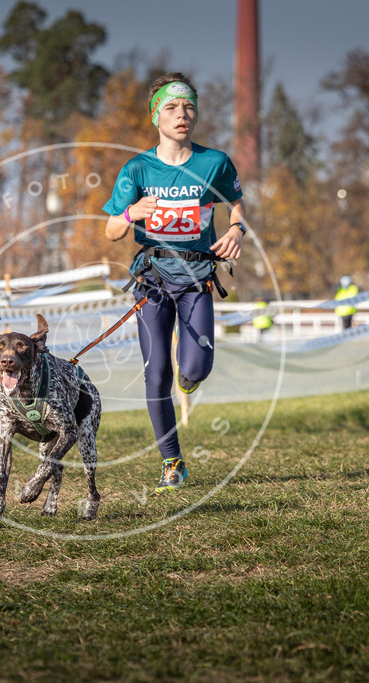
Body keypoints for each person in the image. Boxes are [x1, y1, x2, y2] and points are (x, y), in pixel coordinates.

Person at [103, 72, 246, 493]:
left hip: (196, 278)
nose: (181, 114)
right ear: (156, 117)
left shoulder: (214, 163)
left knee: (196, 366)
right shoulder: (137, 168)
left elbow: (237, 204)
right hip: (152, 279)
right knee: (156, 374)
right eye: (171, 107)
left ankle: (190, 376)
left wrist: (236, 230)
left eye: (188, 107)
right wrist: (131, 214)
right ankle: (172, 462)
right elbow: (112, 231)